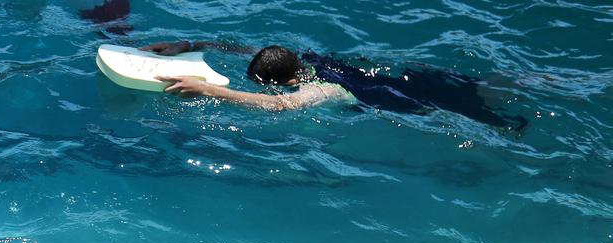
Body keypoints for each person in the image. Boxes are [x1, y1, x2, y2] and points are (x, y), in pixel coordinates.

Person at [142, 40, 528, 132]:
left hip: (415, 105)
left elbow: (278, 107)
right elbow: (248, 48)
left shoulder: (321, 90)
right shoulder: (310, 62)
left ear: (287, 80)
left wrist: (208, 89)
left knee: (500, 124)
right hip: (415, 79)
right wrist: (193, 45)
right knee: (492, 85)